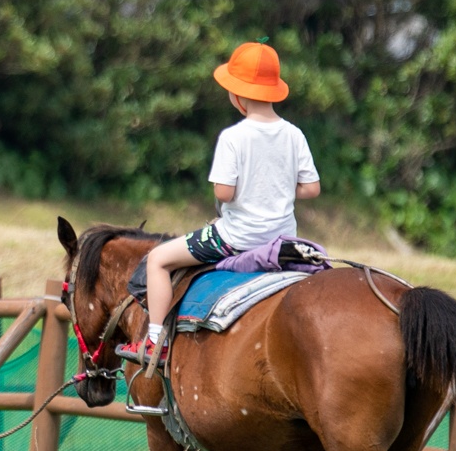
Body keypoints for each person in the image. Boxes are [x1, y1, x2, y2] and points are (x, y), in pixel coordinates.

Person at [130, 42, 321, 366]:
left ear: (237, 95)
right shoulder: (294, 134)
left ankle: (155, 341)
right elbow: (312, 188)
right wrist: (278, 188)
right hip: (283, 238)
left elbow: (224, 193)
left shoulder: (234, 137)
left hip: (236, 238)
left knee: (158, 260)